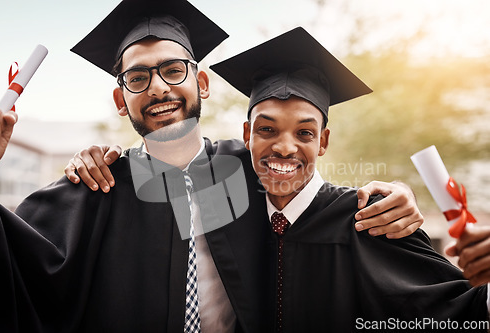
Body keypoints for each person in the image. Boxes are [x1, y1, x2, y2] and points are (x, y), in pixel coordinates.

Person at [0, 1, 420, 333]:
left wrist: (397, 195)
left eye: (174, 70)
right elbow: (15, 270)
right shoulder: (95, 190)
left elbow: (318, 198)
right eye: (138, 79)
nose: (158, 87)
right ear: (121, 101)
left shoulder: (249, 169)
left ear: (203, 83)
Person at [209, 26, 490, 332]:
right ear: (247, 135)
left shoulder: (370, 218)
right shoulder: (233, 209)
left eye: (304, 133)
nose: (285, 147)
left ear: (323, 142)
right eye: (267, 129)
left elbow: (464, 311)